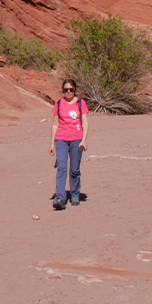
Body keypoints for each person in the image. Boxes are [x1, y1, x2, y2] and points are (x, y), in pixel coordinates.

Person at [49, 79, 88, 210]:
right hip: (61, 139)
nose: (68, 92)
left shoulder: (81, 103)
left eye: (71, 89)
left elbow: (85, 123)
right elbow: (55, 124)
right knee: (62, 168)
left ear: (75, 90)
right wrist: (52, 144)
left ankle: (75, 194)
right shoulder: (59, 103)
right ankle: (60, 197)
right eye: (66, 90)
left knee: (74, 169)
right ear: (63, 91)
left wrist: (84, 140)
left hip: (77, 139)